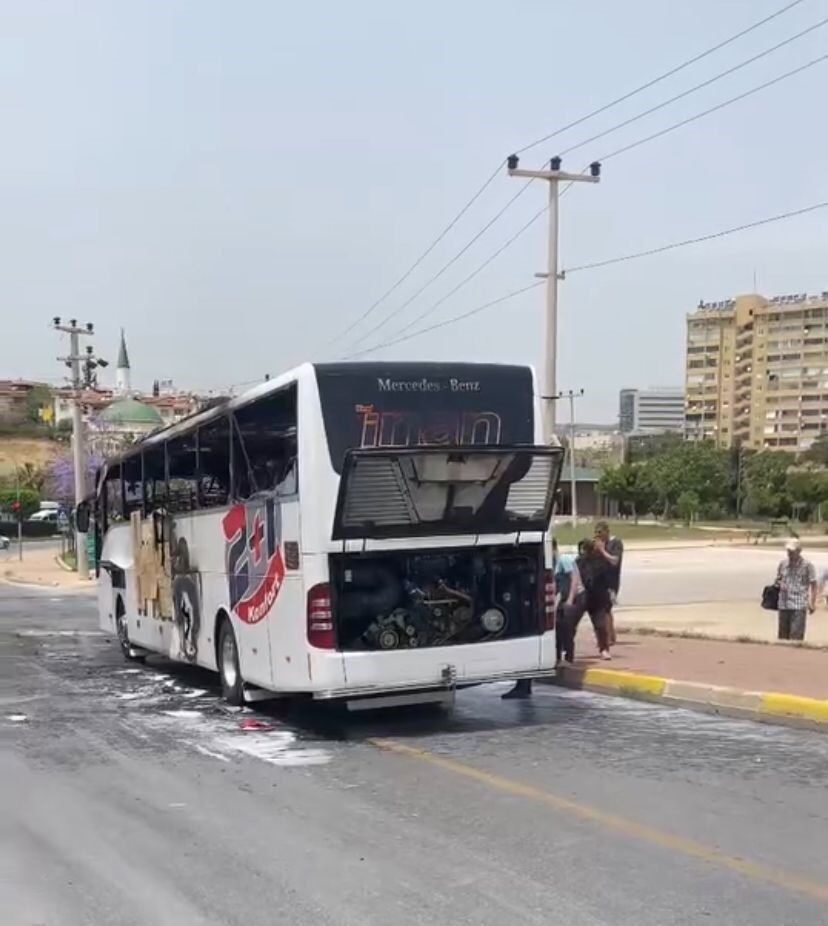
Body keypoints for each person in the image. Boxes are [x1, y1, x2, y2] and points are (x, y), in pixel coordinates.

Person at [575, 538, 613, 660]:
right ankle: (567, 651)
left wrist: (608, 595)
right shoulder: (579, 562)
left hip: (597, 598)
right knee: (571, 624)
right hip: (582, 597)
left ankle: (604, 649)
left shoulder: (600, 562)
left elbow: (607, 579)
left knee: (600, 626)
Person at [776, 539, 817, 641]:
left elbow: (813, 584)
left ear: (799, 551)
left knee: (796, 638)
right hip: (784, 604)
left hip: (799, 604)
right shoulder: (783, 564)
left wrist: (812, 602)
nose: (789, 554)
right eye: (788, 551)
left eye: (792, 551)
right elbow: (778, 579)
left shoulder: (807, 565)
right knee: (782, 637)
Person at [594, 521, 623, 646]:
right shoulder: (600, 544)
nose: (599, 536)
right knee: (601, 609)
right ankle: (609, 636)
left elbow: (615, 561)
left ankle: (609, 637)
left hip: (611, 582)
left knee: (606, 609)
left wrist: (602, 550)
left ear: (607, 531)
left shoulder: (616, 543)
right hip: (600, 580)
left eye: (601, 533)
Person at [554, 540, 582, 666]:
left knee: (567, 629)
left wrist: (570, 599)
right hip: (563, 599)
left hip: (572, 598)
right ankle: (559, 657)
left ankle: (569, 658)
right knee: (559, 629)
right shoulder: (555, 563)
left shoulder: (564, 559)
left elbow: (574, 579)